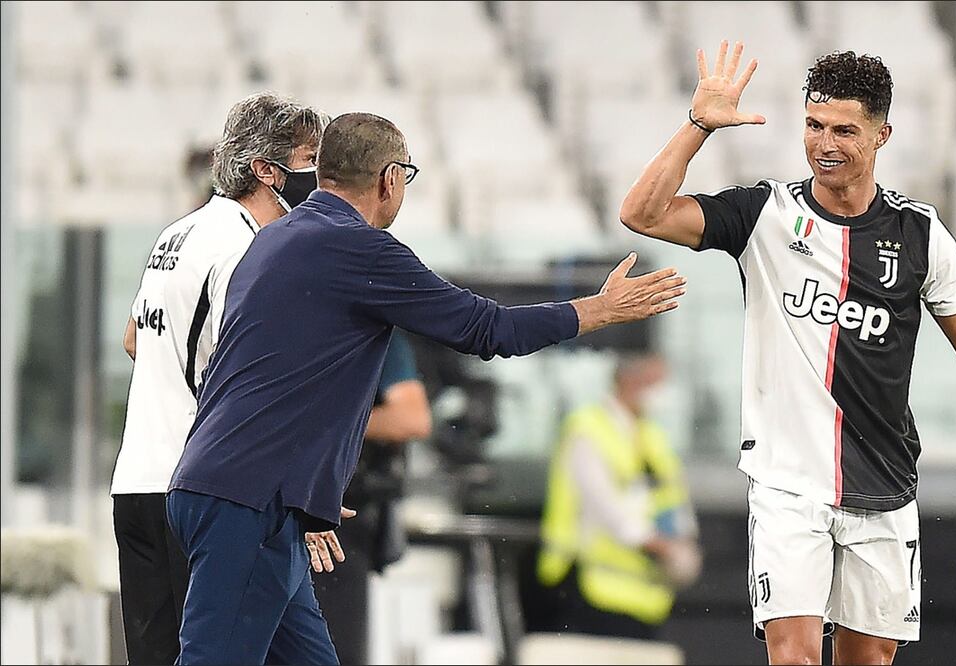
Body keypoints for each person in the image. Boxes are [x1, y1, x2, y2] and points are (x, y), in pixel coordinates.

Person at [164, 112, 688, 665]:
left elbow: (250, 378)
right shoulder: (360, 250)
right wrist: (595, 311)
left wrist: (305, 489)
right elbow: (487, 329)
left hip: (234, 489)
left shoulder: (272, 242)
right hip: (251, 501)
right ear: (390, 178)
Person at [618, 43, 956, 665]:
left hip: (884, 485)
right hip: (786, 481)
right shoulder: (764, 213)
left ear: (882, 134)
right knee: (794, 655)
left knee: (867, 660)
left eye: (845, 130)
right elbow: (641, 213)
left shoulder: (920, 234)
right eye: (814, 126)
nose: (825, 144)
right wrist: (699, 125)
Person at [110, 92, 325, 665]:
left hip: (136, 481)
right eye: (309, 159)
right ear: (264, 168)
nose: (319, 176)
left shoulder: (177, 233)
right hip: (206, 493)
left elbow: (135, 338)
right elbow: (246, 378)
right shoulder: (246, 249)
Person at [537, 354, 700, 640]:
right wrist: (663, 547)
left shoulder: (653, 436)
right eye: (654, 383)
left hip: (648, 597)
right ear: (628, 381)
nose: (661, 393)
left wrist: (683, 543)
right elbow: (607, 509)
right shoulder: (587, 428)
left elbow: (674, 499)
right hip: (590, 588)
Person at [315, 330, 433, 665]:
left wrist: (317, 423)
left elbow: (412, 418)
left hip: (340, 522)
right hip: (275, 517)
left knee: (333, 651)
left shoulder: (373, 334)